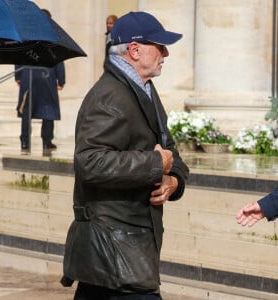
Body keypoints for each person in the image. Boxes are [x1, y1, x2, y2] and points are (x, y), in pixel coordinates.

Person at [61, 11, 189, 300]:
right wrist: (155, 164)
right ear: (135, 49)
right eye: (160, 46)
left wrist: (173, 182)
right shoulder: (110, 95)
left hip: (125, 248)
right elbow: (89, 161)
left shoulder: (143, 89)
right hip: (115, 250)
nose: (166, 53)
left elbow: (172, 153)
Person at [15, 9, 66, 151]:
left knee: (27, 110)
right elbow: (59, 59)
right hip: (47, 76)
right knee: (48, 109)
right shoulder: (53, 36)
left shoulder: (26, 33)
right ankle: (47, 141)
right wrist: (61, 80)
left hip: (28, 74)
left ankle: (25, 142)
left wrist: (18, 75)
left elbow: (19, 54)